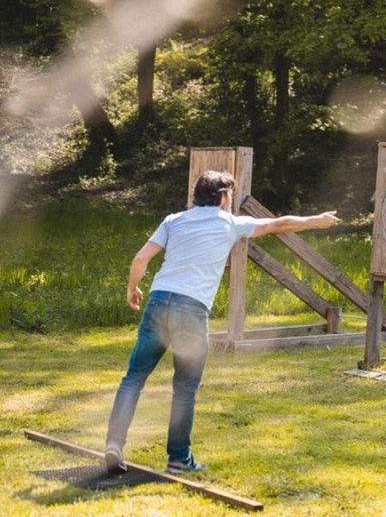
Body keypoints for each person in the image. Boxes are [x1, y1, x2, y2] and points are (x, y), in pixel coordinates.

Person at [104, 170, 340, 474]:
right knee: (185, 388)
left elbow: (140, 259)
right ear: (223, 196)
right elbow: (278, 224)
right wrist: (315, 220)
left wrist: (132, 289)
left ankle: (113, 445)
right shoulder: (230, 224)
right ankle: (178, 458)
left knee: (134, 377)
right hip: (191, 309)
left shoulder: (173, 220)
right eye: (231, 195)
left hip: (159, 301)